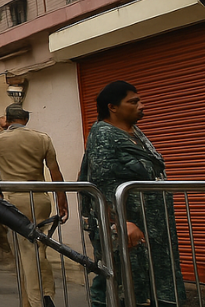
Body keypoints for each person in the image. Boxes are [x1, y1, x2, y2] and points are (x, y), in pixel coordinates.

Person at [79, 81, 186, 307]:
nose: (141, 105)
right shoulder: (103, 134)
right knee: (123, 284)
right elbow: (102, 181)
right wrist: (121, 221)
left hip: (152, 226)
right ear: (113, 107)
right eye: (133, 101)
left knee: (154, 281)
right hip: (127, 227)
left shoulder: (134, 133)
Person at [0, 104, 69, 307]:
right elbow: (55, 170)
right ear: (26, 120)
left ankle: (39, 300)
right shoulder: (42, 138)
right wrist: (62, 199)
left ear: (7, 120)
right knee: (37, 248)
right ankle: (38, 297)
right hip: (40, 199)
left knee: (25, 251)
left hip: (13, 201)